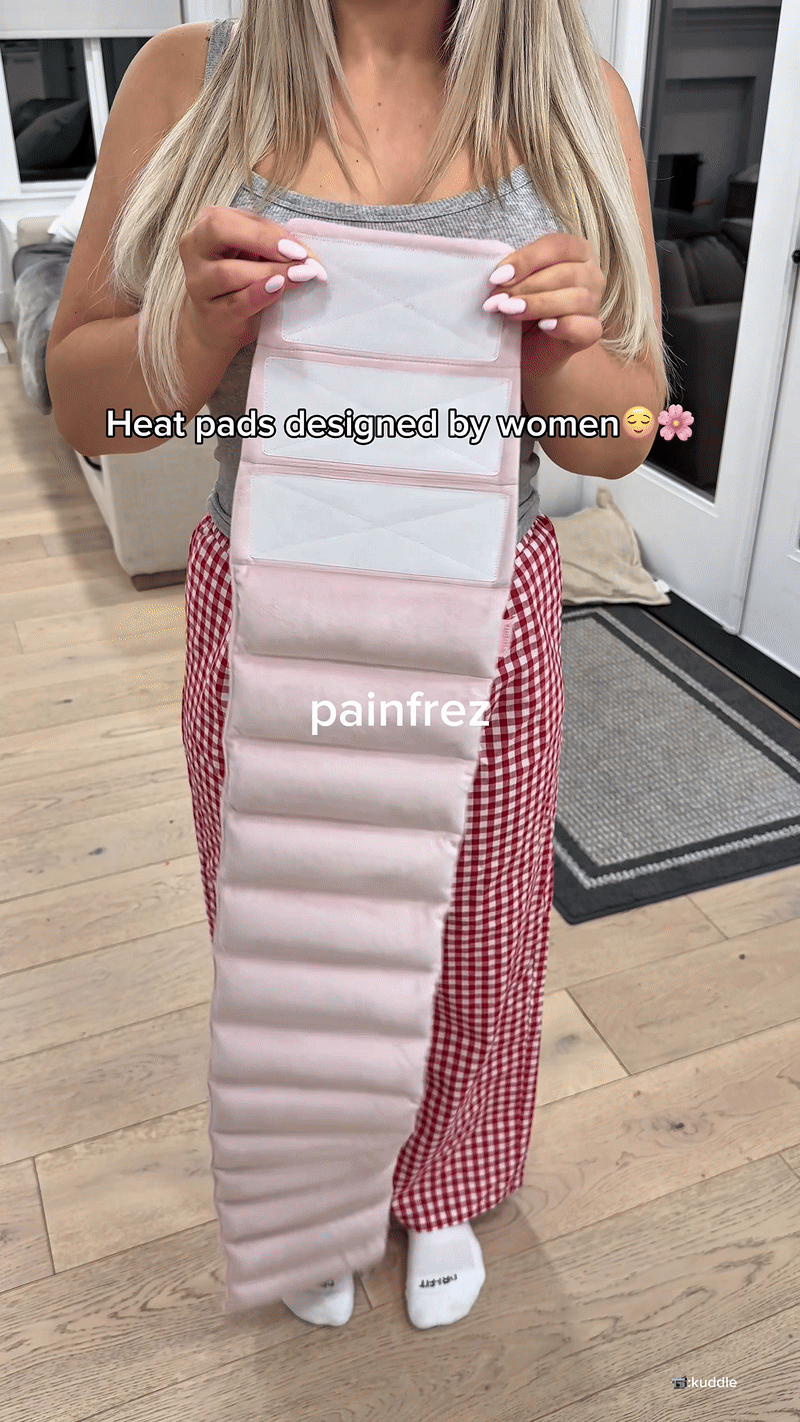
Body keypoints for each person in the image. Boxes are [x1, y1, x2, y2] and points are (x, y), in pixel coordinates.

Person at [47, 0, 669, 1332]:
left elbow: (624, 430)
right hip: (272, 598)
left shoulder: (576, 93)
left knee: (480, 928)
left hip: (484, 604)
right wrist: (199, 329)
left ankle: (447, 1179)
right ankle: (313, 1189)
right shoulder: (190, 79)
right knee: (291, 919)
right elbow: (90, 406)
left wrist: (563, 351)